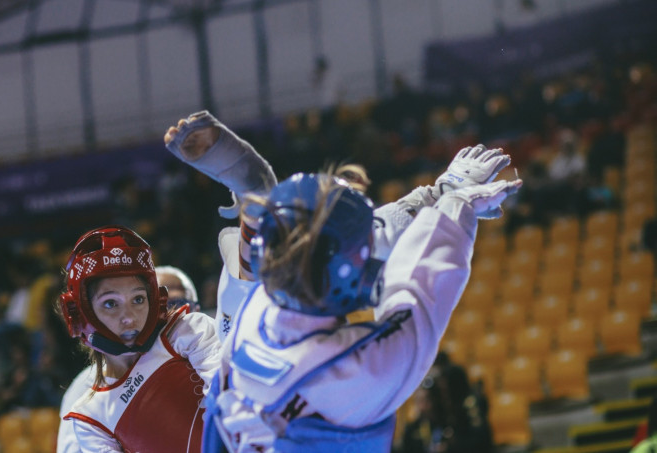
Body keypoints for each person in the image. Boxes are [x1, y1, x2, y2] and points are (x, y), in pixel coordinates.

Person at [163, 111, 519, 452]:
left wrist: (437, 195)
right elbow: (423, 280)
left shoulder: (254, 310)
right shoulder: (364, 371)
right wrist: (457, 204)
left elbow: (329, 243)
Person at [58, 228, 219, 452]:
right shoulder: (90, 417)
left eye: (138, 299)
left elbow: (235, 405)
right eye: (110, 303)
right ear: (80, 314)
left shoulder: (189, 332)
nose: (129, 317)